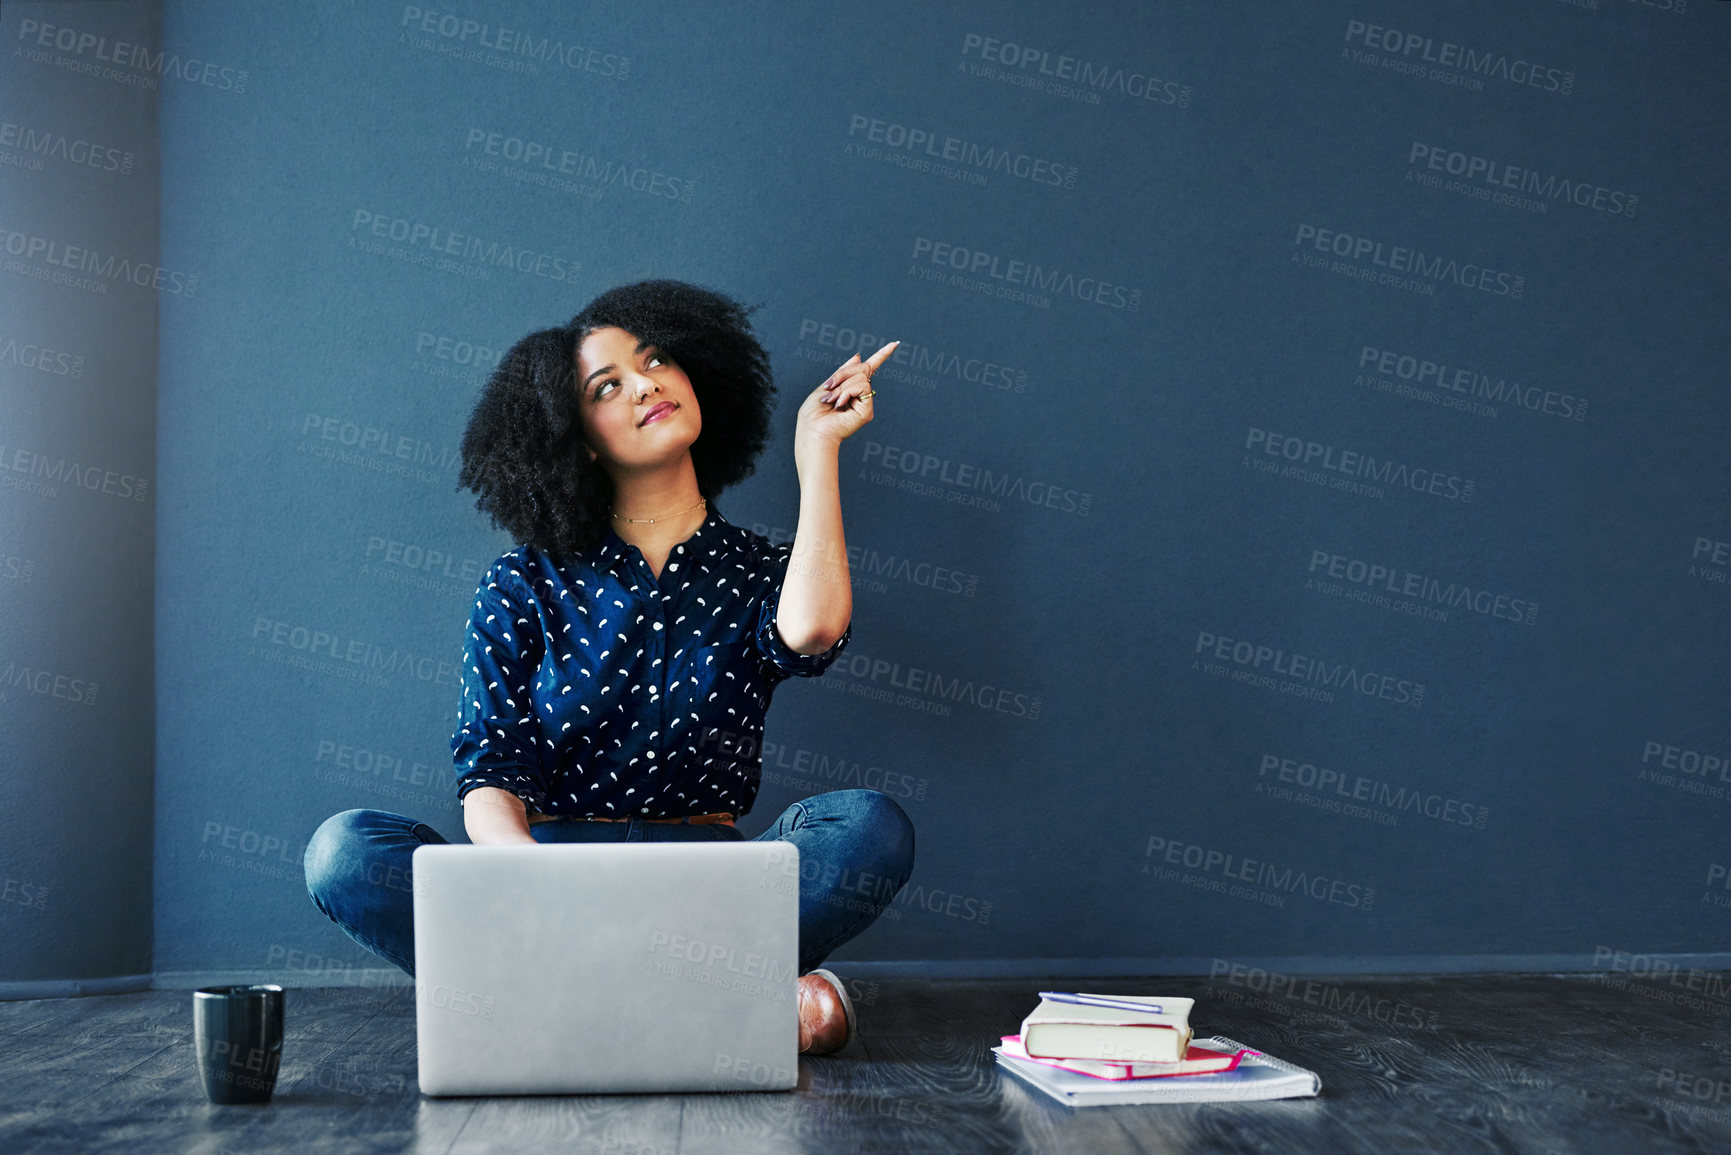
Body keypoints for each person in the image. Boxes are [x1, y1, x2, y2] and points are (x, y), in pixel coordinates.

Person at [303, 280, 914, 1055]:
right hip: (543, 888)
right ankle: (710, 1011)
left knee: (869, 825)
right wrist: (543, 888)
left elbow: (814, 629)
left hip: (710, 894)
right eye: (608, 384)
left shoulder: (762, 569)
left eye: (656, 359)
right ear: (579, 437)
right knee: (345, 851)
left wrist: (815, 450)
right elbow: (490, 773)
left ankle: (572, 1010)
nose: (646, 382)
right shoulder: (521, 582)